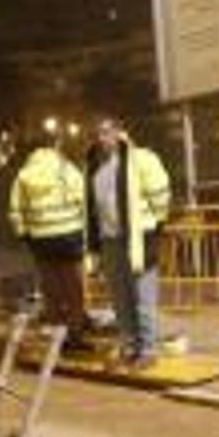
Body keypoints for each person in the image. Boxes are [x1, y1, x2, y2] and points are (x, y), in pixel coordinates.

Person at [84, 117, 171, 369]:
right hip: (110, 240)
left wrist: (155, 227)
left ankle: (148, 350)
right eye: (99, 133)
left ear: (122, 133)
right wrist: (95, 245)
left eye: (108, 132)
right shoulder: (95, 167)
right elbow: (93, 209)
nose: (103, 138)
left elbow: (160, 197)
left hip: (139, 237)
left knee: (143, 296)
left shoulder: (142, 159)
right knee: (120, 298)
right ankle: (130, 345)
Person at [8, 133, 89, 349]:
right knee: (73, 288)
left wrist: (24, 234)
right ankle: (75, 335)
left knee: (51, 288)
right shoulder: (66, 169)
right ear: (55, 147)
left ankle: (55, 336)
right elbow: (84, 201)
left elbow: (15, 211)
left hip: (41, 239)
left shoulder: (24, 175)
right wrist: (87, 231)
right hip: (70, 236)